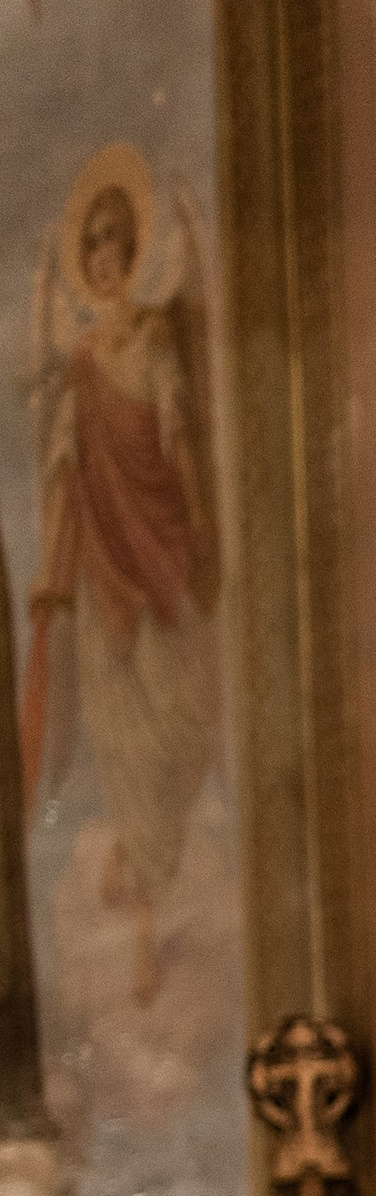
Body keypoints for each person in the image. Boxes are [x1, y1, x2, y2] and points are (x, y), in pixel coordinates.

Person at [26, 158, 222, 1010]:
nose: (103, 257)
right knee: (119, 733)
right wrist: (51, 568)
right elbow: (63, 469)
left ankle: (159, 881)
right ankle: (144, 919)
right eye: (93, 245)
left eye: (115, 240)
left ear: (136, 248)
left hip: (161, 551)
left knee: (177, 718)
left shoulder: (156, 339)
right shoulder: (81, 362)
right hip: (105, 570)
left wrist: (202, 515)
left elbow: (177, 432)